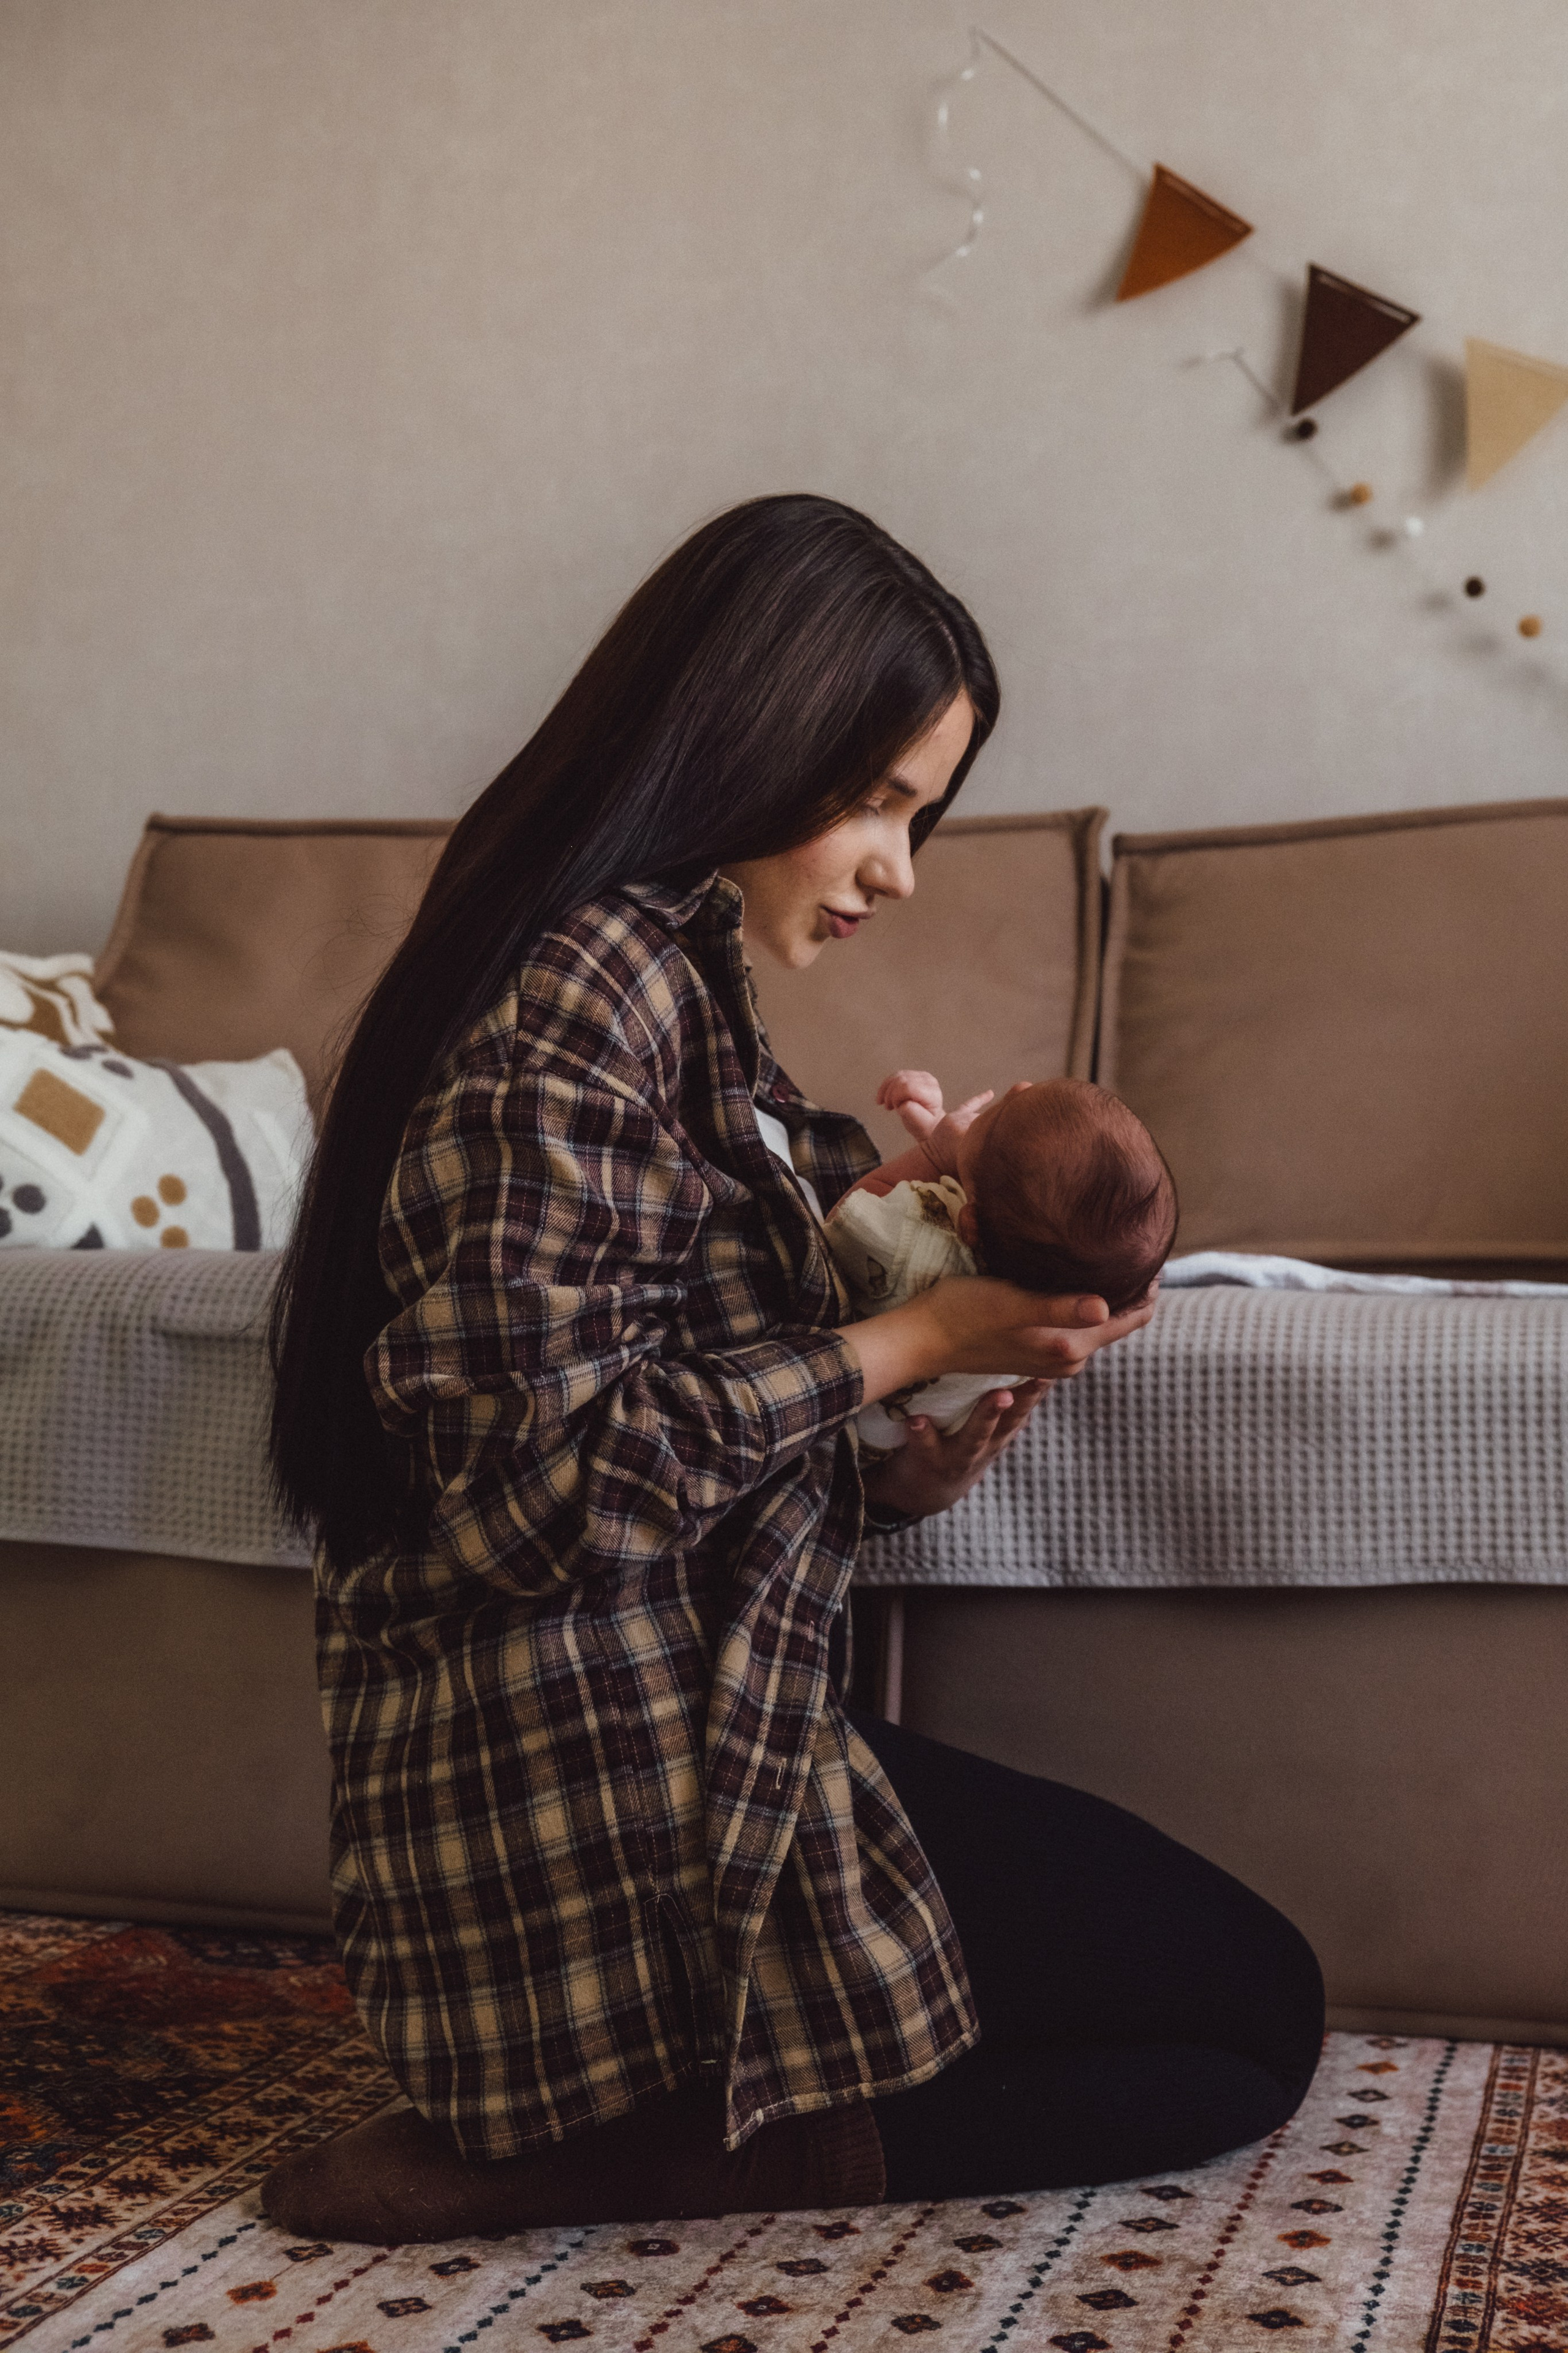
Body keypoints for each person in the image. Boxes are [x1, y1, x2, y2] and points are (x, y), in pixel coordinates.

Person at [262, 494, 1323, 2246]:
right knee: (1246, 2022)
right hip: (594, 1801)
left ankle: (699, 2125)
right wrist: (914, 1337)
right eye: (885, 800)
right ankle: (657, 2148)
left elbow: (685, 1403)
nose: (902, 870)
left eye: (925, 813)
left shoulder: (677, 991)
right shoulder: (583, 993)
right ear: (749, 733)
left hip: (696, 1728)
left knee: (1240, 2003)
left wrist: (898, 1459)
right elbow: (538, 1489)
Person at [825, 1069, 1177, 1454]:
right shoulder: (1041, 1320)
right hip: (904, 1447)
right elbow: (977, 1207)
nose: (1018, 1090)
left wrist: (931, 1154)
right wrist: (943, 1139)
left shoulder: (907, 1242)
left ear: (969, 1222)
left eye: (999, 1117)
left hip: (835, 1419)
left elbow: (849, 1219)